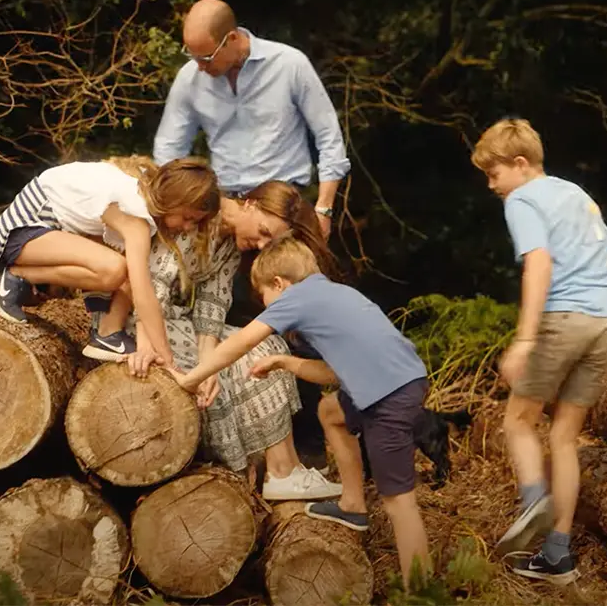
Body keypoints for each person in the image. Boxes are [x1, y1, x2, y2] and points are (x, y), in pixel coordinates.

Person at [169, 236, 432, 588]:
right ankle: (353, 507)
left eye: (264, 296)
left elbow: (242, 341)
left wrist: (192, 378)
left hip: (391, 395)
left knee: (399, 501)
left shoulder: (296, 297)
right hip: (398, 380)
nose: (266, 305)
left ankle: (422, 589)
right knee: (330, 411)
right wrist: (284, 362)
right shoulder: (333, 294)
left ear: (279, 284)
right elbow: (336, 373)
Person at [470, 118, 607, 584]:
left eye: (494, 173)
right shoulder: (576, 195)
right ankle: (558, 557)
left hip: (564, 319)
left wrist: (525, 338)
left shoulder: (523, 199)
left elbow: (539, 264)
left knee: (518, 421)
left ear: (520, 164)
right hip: (604, 324)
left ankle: (533, 505)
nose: (492, 185)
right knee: (565, 436)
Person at [126, 180, 343, 500]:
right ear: (251, 204)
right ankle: (269, 474)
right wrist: (157, 350)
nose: (260, 245)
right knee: (242, 359)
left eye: (270, 242)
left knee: (267, 346)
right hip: (144, 318)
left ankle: (285, 470)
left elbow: (211, 307)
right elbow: (150, 287)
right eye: (265, 232)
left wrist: (209, 363)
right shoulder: (197, 216)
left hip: (179, 320)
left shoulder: (228, 244)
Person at [0, 156, 218, 364]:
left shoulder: (139, 204)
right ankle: (15, 276)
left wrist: (147, 347)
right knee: (115, 269)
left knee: (128, 270)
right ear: (173, 200)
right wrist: (166, 355)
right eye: (188, 218)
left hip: (45, 237)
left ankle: (108, 334)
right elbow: (144, 295)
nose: (188, 228)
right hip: (21, 233)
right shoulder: (134, 213)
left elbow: (140, 289)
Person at [153, 0, 349, 237]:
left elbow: (329, 136)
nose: (200, 66)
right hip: (224, 208)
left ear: (232, 39)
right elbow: (169, 150)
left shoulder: (289, 64)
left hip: (285, 205)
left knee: (288, 275)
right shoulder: (189, 78)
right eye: (192, 56)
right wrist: (182, 204)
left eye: (206, 57)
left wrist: (324, 209)